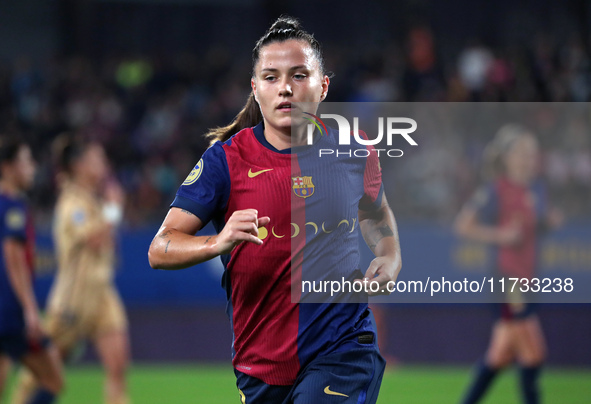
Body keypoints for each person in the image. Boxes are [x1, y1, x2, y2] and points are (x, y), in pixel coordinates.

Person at [148, 16, 401, 403]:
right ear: (255, 88)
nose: (285, 88)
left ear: (323, 86)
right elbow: (160, 247)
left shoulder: (355, 147)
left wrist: (389, 254)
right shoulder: (225, 162)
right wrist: (217, 241)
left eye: (299, 75)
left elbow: (376, 211)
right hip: (261, 363)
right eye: (271, 77)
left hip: (344, 346)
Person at [12, 136, 130, 404]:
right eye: (96, 158)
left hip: (101, 295)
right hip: (72, 301)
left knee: (118, 370)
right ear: (78, 165)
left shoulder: (92, 200)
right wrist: (113, 210)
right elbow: (94, 239)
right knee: (41, 375)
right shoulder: (71, 203)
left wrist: (110, 209)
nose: (104, 163)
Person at [454, 124, 562, 404]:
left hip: (528, 278)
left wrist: (547, 223)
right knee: (533, 352)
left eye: (532, 153)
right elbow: (463, 225)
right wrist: (501, 235)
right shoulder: (495, 190)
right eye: (523, 152)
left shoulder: (536, 190)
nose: (529, 158)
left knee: (499, 355)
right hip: (507, 279)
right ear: (507, 157)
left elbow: (531, 229)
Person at [0, 137, 63, 404]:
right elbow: (14, 259)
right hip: (10, 312)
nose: (33, 167)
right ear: (7, 166)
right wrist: (29, 309)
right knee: (52, 379)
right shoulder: (13, 207)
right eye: (26, 161)